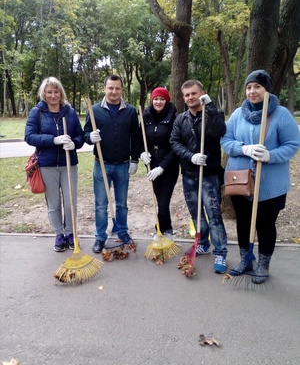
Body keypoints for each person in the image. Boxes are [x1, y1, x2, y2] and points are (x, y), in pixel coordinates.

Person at [221, 69, 300, 284]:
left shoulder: (281, 114)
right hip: (241, 182)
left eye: (257, 86)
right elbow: (225, 140)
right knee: (243, 222)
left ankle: (263, 264)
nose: (252, 91)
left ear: (267, 89)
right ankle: (246, 259)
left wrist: (269, 155)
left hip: (270, 184)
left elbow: (293, 145)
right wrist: (243, 148)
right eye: (249, 87)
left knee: (265, 224)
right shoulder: (238, 114)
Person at [170, 79, 228, 273]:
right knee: (195, 213)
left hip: (210, 175)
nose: (189, 98)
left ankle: (220, 251)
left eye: (193, 93)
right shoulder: (181, 119)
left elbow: (221, 130)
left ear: (201, 92)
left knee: (214, 214)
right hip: (189, 174)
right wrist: (191, 156)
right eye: (186, 95)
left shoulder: (213, 114)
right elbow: (174, 142)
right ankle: (202, 242)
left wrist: (209, 106)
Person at [25, 77, 84, 252]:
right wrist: (54, 140)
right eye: (49, 92)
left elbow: (80, 137)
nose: (53, 95)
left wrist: (74, 143)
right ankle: (59, 234)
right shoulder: (37, 112)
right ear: (44, 93)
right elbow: (29, 136)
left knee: (70, 202)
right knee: (54, 203)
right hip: (47, 164)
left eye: (56, 91)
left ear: (61, 93)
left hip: (69, 164)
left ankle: (70, 233)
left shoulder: (70, 112)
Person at [84, 75, 140, 253]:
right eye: (110, 88)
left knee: (122, 203)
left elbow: (136, 137)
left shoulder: (130, 111)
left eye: (117, 88)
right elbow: (85, 133)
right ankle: (100, 237)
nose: (114, 92)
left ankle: (122, 231)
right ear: (105, 88)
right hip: (102, 164)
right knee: (101, 204)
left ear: (122, 89)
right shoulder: (94, 110)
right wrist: (90, 138)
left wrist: (134, 159)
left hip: (123, 165)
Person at [140, 87, 179, 239]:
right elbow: (140, 138)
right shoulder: (146, 116)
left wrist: (162, 167)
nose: (158, 102)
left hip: (169, 165)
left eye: (162, 99)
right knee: (159, 201)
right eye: (156, 99)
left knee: (163, 201)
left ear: (166, 100)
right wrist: (142, 152)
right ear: (152, 100)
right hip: (151, 163)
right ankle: (167, 229)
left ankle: (161, 231)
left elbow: (175, 146)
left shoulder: (174, 117)